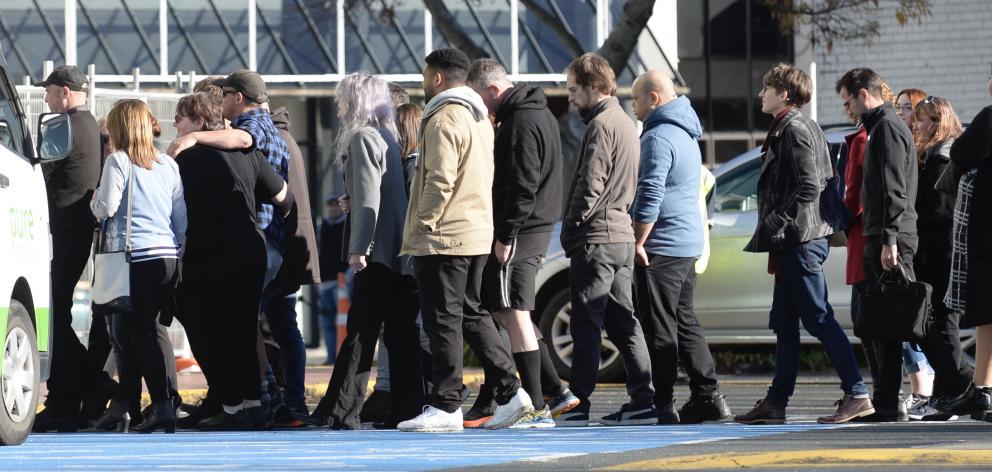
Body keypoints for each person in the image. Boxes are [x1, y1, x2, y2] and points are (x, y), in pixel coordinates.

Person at [398, 48, 533, 432]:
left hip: (444, 236)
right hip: (475, 232)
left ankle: (446, 404)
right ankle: (510, 393)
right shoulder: (479, 117)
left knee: (443, 319)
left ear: (437, 78)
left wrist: (423, 223)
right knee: (472, 313)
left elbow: (439, 180)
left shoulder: (443, 116)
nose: (423, 82)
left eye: (425, 75)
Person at [735, 64, 873, 425]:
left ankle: (857, 393)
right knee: (784, 322)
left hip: (800, 240)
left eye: (766, 88)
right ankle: (776, 402)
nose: (760, 94)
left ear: (783, 94)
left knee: (818, 317)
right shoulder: (796, 125)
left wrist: (778, 220)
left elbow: (809, 185)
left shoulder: (794, 128)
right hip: (796, 241)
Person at [307, 73, 423, 430]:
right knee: (401, 332)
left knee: (361, 330)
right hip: (400, 248)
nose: (339, 106)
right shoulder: (389, 135)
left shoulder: (362, 138)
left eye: (343, 98)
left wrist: (359, 247)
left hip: (378, 249)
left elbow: (369, 200)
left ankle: (341, 409)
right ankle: (408, 407)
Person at [467, 58, 578, 429]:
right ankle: (552, 390)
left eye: (480, 98)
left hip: (522, 229)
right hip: (535, 224)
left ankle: (534, 405)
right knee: (511, 311)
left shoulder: (520, 121)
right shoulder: (538, 112)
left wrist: (506, 235)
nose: (481, 108)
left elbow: (522, 183)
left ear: (493, 90)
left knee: (512, 310)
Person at [173, 92, 294, 430]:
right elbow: (285, 198)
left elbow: (179, 213)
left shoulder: (188, 158)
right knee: (242, 328)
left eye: (180, 118)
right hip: (251, 246)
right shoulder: (249, 153)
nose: (175, 125)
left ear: (198, 123)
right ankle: (251, 405)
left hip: (210, 250)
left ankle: (231, 405)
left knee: (211, 330)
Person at [556, 53, 655, 427]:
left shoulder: (600, 125)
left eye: (573, 90)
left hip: (596, 237)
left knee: (585, 323)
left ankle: (578, 404)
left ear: (594, 86)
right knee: (623, 321)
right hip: (621, 237)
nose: (570, 97)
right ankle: (643, 400)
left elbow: (590, 183)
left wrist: (571, 225)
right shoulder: (628, 123)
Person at [629, 70, 730, 424]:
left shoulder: (657, 137)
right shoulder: (686, 132)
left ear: (653, 98)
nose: (634, 106)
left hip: (663, 244)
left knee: (659, 326)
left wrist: (638, 240)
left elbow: (650, 193)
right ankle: (707, 395)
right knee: (684, 320)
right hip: (687, 243)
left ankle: (664, 404)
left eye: (636, 99)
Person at [88, 99, 187, 434]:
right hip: (165, 258)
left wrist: (93, 199)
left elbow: (106, 207)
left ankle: (160, 406)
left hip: (132, 258)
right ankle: (125, 407)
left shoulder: (118, 161)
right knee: (129, 334)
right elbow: (180, 220)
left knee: (136, 336)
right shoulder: (167, 164)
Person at [32, 65, 117, 433]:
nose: (47, 100)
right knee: (56, 317)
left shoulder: (61, 126)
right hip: (80, 232)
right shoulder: (92, 128)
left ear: (64, 93)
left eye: (49, 93)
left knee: (50, 320)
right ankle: (65, 402)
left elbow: (44, 173)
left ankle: (91, 384)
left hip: (62, 232)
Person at [835, 67, 919, 422]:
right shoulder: (880, 128)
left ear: (863, 95)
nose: (847, 109)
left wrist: (888, 239)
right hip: (881, 236)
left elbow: (894, 189)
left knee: (895, 324)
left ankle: (958, 386)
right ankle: (886, 403)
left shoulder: (886, 129)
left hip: (889, 239)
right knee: (878, 326)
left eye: (848, 101)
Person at [902, 96, 973, 421]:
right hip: (938, 251)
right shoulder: (936, 156)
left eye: (923, 119)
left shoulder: (943, 160)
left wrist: (918, 245)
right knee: (938, 324)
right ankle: (955, 392)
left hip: (940, 253)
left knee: (938, 324)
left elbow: (940, 214)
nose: (917, 125)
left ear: (938, 122)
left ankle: (962, 387)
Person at [933, 66, 992, 421]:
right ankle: (981, 389)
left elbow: (961, 155)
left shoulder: (989, 118)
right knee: (988, 319)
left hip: (988, 237)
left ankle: (982, 391)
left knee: (987, 314)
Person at [264, 105, 322, 424]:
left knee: (254, 323)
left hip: (278, 246)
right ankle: (294, 400)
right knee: (286, 327)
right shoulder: (288, 139)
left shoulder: (270, 140)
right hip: (292, 246)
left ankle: (274, 395)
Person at [892, 88, 937, 404]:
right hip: (911, 243)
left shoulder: (926, 153)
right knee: (903, 320)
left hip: (920, 244)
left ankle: (923, 391)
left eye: (909, 108)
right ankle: (919, 389)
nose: (903, 114)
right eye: (899, 107)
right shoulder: (901, 144)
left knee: (916, 318)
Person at [317, 193, 348, 365]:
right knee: (328, 323)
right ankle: (331, 359)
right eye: (330, 204)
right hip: (325, 281)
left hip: (341, 280)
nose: (333, 207)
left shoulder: (346, 224)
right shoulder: (323, 226)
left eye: (336, 204)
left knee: (343, 323)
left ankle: (343, 360)